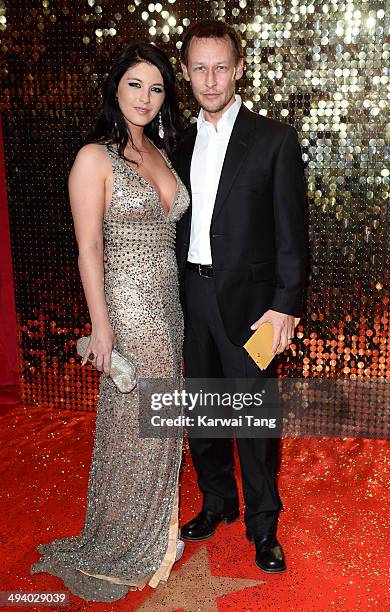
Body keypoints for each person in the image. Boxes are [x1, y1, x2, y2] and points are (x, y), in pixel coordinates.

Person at [30, 42, 189, 602]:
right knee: (137, 426)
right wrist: (101, 326)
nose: (145, 98)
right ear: (114, 88)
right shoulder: (94, 158)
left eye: (157, 88)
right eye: (134, 85)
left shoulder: (161, 152)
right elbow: (89, 247)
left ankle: (158, 529)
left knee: (164, 424)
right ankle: (126, 538)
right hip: (127, 311)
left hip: (170, 310)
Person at [173, 21, 307, 573]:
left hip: (254, 309)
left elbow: (292, 234)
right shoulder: (176, 142)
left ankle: (263, 526)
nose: (211, 79)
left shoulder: (272, 139)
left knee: (253, 420)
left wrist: (286, 306)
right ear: (184, 73)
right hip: (190, 300)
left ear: (240, 68)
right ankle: (217, 503)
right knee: (202, 414)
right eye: (199, 68)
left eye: (221, 67)